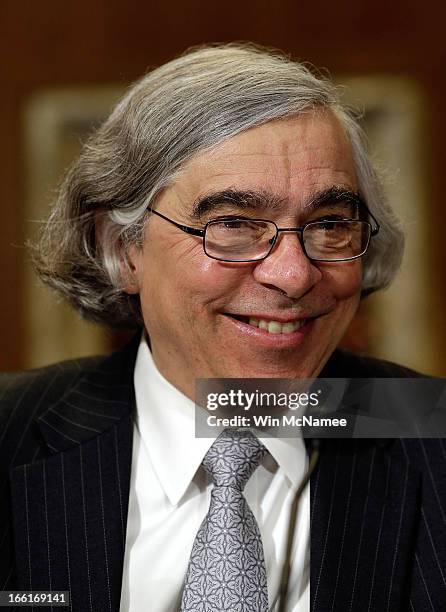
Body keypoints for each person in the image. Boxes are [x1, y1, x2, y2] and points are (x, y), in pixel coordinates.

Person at [0, 43, 444, 612]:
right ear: (122, 249)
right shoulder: (12, 434)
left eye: (330, 222)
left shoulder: (427, 434)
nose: (293, 275)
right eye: (233, 224)